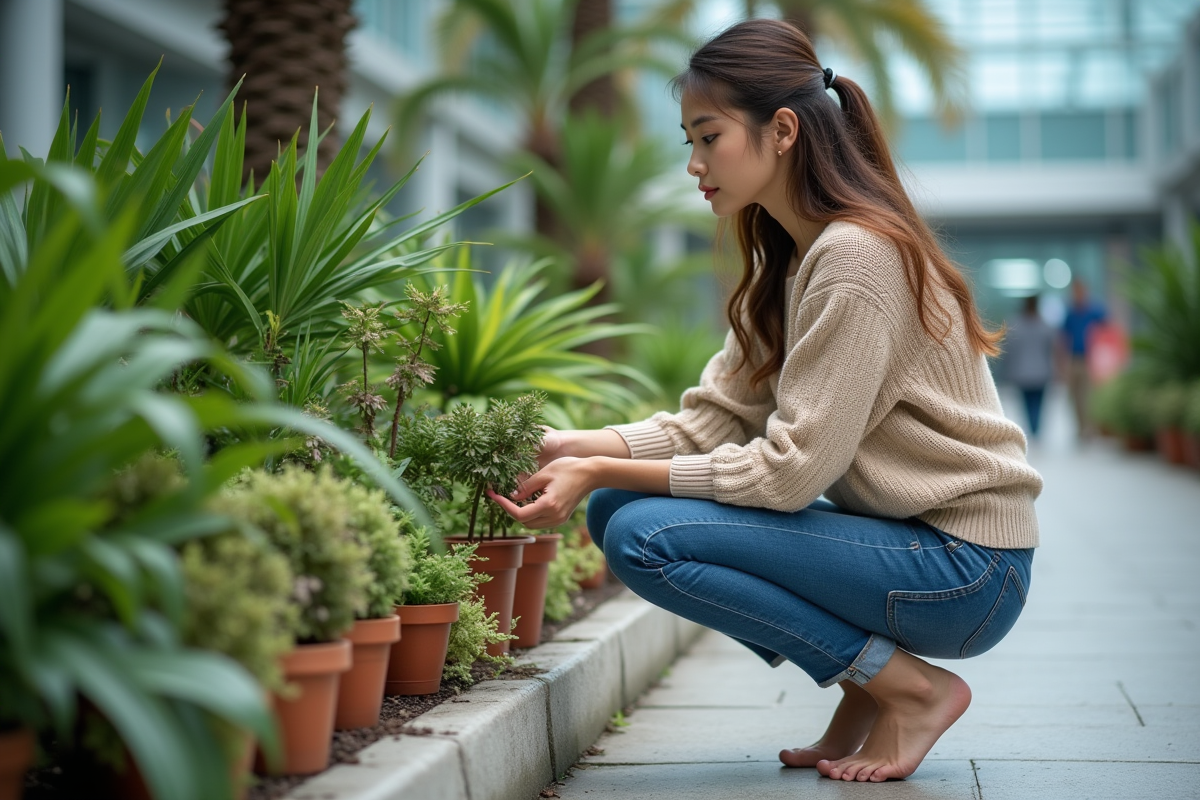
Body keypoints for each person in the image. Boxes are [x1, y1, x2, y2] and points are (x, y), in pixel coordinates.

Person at [488, 18, 1041, 784]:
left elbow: (789, 477)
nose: (694, 163)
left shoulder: (854, 258)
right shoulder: (795, 257)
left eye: (708, 137)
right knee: (614, 511)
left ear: (782, 130)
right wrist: (579, 447)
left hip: (966, 569)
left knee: (643, 534)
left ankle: (907, 690)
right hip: (907, 544)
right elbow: (714, 419)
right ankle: (870, 690)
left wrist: (601, 468)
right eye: (690, 139)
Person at [1059, 279, 1107, 439]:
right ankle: (1081, 428)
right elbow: (1064, 339)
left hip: (1091, 360)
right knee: (1075, 396)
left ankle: (1090, 427)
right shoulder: (1070, 313)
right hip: (1075, 359)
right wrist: (1063, 363)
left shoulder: (1096, 312)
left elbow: (1107, 334)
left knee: (1089, 396)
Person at [1004, 295, 1056, 440]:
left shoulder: (1015, 325)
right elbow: (1052, 348)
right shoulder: (1044, 325)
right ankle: (1035, 430)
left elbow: (1009, 349)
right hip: (1042, 371)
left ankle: (1032, 429)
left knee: (1027, 404)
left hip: (1022, 372)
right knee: (1038, 404)